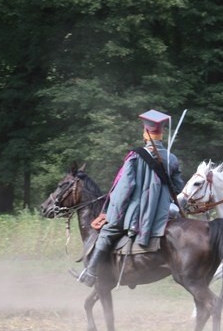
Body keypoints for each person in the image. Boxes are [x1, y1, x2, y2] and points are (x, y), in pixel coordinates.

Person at [75, 109, 185, 287]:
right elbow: (178, 188)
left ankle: (91, 273)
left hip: (137, 212)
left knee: (107, 232)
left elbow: (124, 188)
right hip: (162, 212)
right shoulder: (171, 158)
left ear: (145, 133)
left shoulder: (135, 156)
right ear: (161, 133)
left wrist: (112, 211)